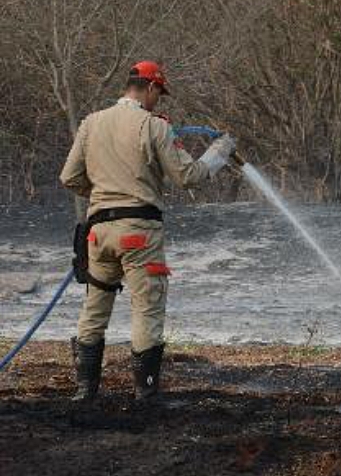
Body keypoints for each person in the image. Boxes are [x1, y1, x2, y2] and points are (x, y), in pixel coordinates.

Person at [59, 61, 236, 401]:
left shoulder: (91, 123)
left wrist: (101, 193)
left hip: (99, 233)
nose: (159, 101)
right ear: (151, 88)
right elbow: (189, 176)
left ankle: (84, 390)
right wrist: (220, 152)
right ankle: (145, 394)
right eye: (160, 94)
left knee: (95, 308)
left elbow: (69, 177)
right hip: (139, 232)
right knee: (147, 308)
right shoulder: (154, 126)